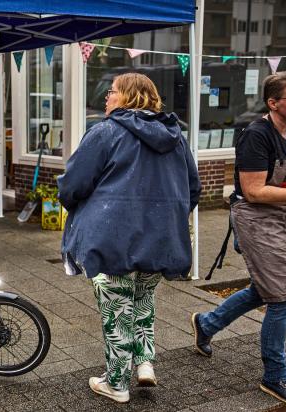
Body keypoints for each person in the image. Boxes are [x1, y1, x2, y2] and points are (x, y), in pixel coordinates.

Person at [191, 72, 286, 409]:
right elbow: (255, 191)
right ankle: (275, 374)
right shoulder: (255, 135)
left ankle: (207, 323)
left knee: (265, 288)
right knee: (284, 295)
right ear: (274, 103)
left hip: (280, 215)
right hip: (256, 219)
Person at [58, 73, 200, 404]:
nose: (107, 98)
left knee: (118, 311)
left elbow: (73, 184)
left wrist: (85, 205)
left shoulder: (105, 132)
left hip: (112, 239)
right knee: (142, 300)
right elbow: (192, 188)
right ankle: (144, 362)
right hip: (161, 240)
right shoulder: (175, 137)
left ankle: (117, 384)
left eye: (113, 92)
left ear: (129, 97)